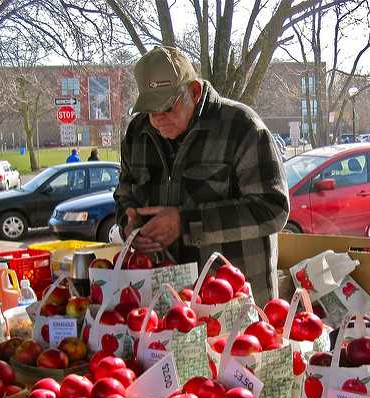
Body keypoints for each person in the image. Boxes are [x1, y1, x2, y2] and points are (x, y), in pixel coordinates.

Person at [114, 46, 289, 305]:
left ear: (194, 92)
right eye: (151, 110)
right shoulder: (137, 134)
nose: (158, 119)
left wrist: (187, 223)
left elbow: (273, 209)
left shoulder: (242, 126)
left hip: (234, 301)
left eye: (168, 107)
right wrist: (129, 224)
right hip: (169, 301)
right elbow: (124, 195)